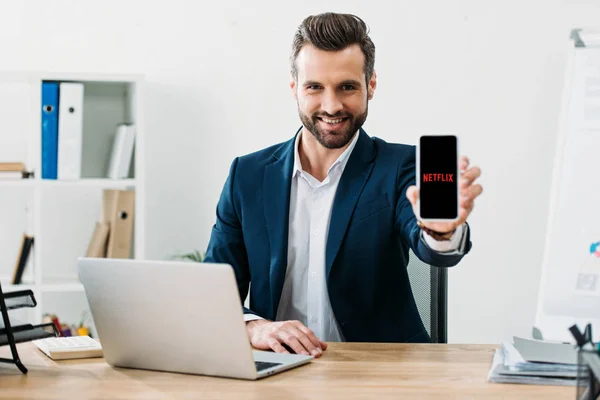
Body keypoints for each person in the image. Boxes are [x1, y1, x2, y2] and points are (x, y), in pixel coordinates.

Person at [204, 12, 483, 358]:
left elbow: (428, 245)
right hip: (281, 371)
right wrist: (253, 326)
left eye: (347, 87)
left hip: (382, 371)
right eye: (315, 87)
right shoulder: (247, 175)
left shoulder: (401, 167)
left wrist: (439, 233)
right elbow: (215, 291)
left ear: (371, 85)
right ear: (295, 89)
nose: (331, 106)